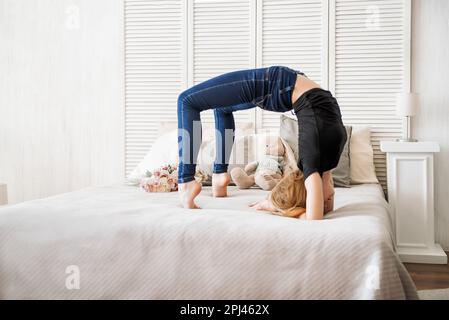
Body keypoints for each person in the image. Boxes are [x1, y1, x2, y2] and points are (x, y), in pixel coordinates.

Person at [177, 66, 347, 220]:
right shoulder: (320, 162)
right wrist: (305, 210)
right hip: (282, 86)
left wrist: (281, 207)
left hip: (281, 85)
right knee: (221, 108)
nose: (329, 200)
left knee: (187, 101)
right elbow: (317, 212)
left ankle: (187, 181)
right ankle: (219, 175)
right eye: (327, 201)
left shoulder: (318, 159)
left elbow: (315, 211)